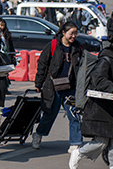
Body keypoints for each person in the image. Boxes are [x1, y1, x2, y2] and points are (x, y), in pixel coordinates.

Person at [69, 33, 113, 169]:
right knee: (101, 141)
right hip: (101, 109)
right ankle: (79, 153)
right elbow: (98, 78)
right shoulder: (105, 60)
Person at [33, 21, 83, 152]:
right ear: (63, 33)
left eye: (76, 33)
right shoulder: (53, 45)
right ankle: (38, 134)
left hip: (70, 88)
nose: (74, 36)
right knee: (50, 115)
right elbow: (42, 65)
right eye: (71, 33)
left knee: (74, 114)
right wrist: (38, 83)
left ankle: (75, 143)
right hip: (53, 87)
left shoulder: (78, 47)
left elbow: (82, 66)